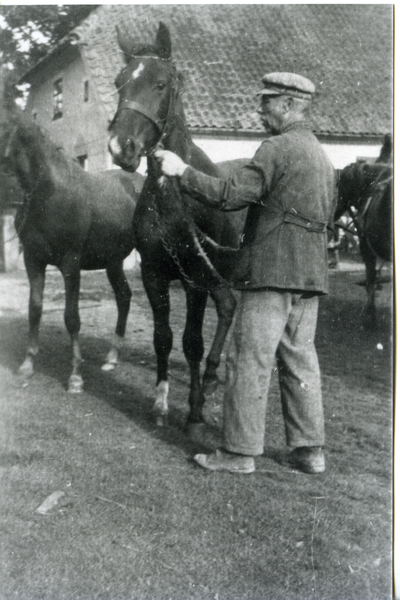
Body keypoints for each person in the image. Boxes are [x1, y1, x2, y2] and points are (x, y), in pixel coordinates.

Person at [155, 72, 337, 475]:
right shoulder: (322, 157)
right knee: (300, 361)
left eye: (267, 101)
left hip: (270, 272)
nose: (259, 109)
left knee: (248, 359)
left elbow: (230, 196)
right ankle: (310, 452)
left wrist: (180, 170)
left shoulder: (276, 148)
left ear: (288, 105)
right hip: (309, 277)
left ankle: (238, 453)